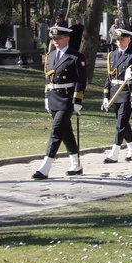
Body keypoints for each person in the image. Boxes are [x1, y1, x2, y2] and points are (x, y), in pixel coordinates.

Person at [32, 26, 87, 179]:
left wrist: (77, 100)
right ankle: (76, 165)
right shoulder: (50, 56)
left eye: (59, 38)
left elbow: (81, 80)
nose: (56, 41)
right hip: (53, 98)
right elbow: (47, 78)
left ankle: (45, 167)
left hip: (67, 99)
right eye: (54, 38)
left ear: (67, 38)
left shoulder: (76, 57)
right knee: (66, 133)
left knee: (56, 131)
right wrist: (46, 98)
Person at [101, 28, 132, 163]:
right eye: (117, 39)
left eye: (122, 39)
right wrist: (106, 96)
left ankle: (114, 153)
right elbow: (109, 77)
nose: (119, 42)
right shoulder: (111, 55)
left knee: (120, 124)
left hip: (125, 92)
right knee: (124, 124)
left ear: (128, 40)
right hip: (114, 91)